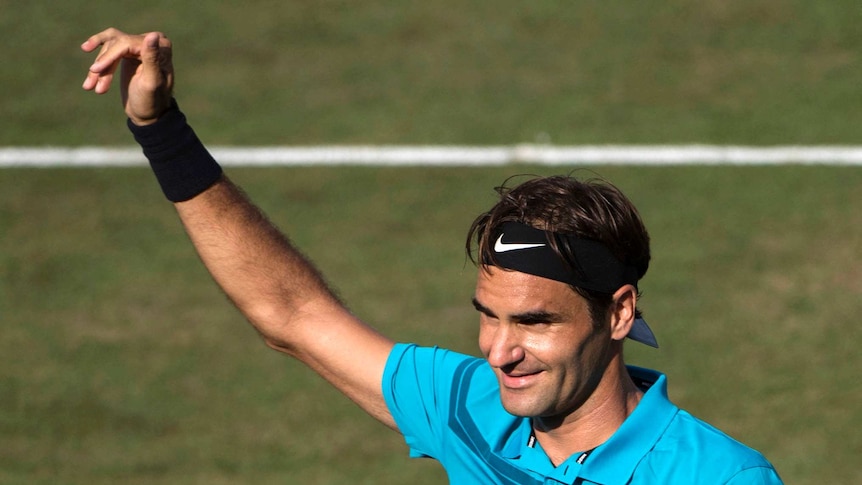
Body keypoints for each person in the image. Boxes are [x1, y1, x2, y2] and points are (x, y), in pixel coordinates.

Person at [81, 28, 783, 484]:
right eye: (489, 316)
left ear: (619, 311)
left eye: (535, 321)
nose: (500, 351)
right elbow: (289, 311)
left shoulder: (718, 475)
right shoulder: (471, 403)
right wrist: (158, 128)